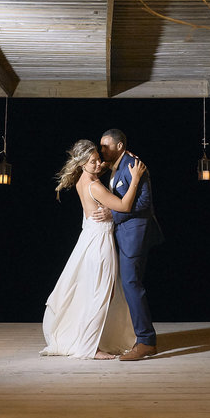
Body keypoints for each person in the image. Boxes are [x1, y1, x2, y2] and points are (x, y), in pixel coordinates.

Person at [41, 139, 147, 359]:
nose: (99, 164)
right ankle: (92, 348)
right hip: (100, 244)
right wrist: (135, 179)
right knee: (101, 294)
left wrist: (123, 154)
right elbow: (125, 206)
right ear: (82, 163)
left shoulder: (82, 180)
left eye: (99, 159)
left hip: (88, 239)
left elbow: (105, 165)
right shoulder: (95, 186)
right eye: (93, 161)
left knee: (93, 292)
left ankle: (91, 341)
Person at [92, 128, 164, 361]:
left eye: (106, 146)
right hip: (125, 233)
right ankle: (140, 337)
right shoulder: (117, 165)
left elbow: (144, 202)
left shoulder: (133, 165)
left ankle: (145, 342)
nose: (102, 150)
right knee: (130, 283)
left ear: (120, 146)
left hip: (135, 233)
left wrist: (114, 215)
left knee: (132, 282)